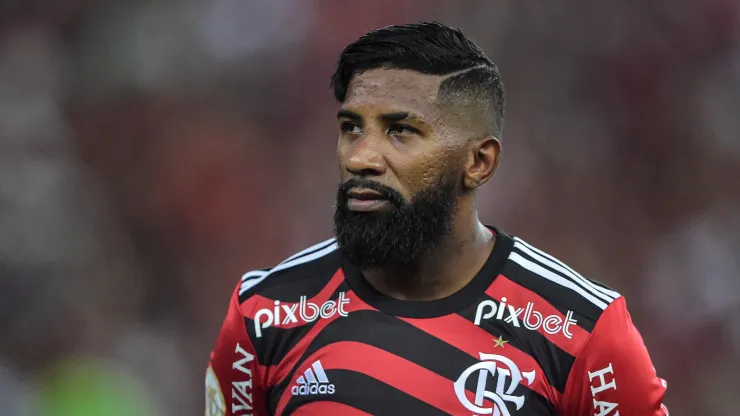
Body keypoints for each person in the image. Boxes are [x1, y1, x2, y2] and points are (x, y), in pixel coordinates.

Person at [206, 21, 669, 416]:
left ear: (479, 162)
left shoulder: (584, 334)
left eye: (401, 131)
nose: (361, 157)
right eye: (351, 128)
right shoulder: (263, 314)